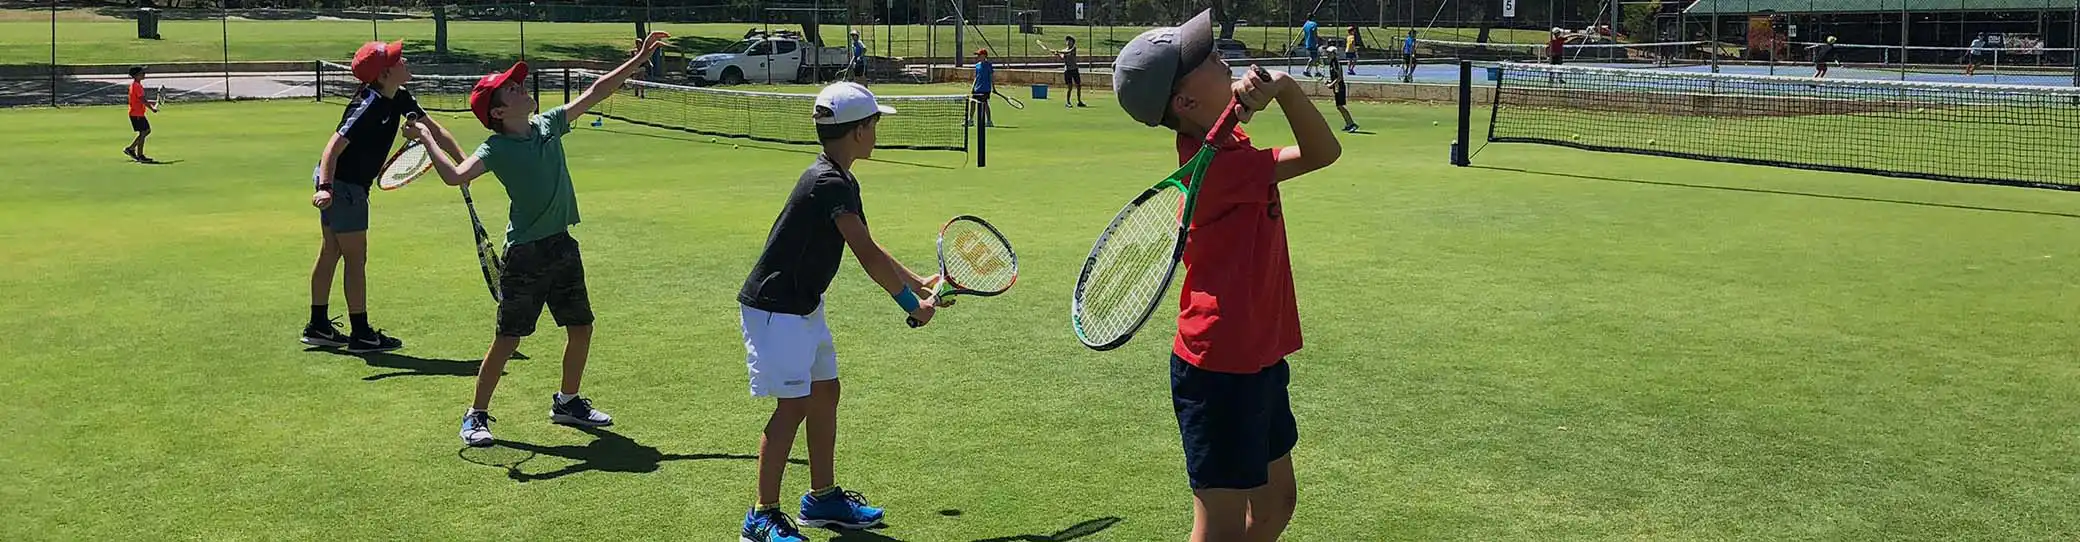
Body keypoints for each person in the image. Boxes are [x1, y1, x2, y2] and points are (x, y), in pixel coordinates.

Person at [1111, 9, 1340, 542]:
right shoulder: (1215, 164)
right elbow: (1321, 153)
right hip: (1220, 368)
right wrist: (1279, 91)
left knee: (1277, 504)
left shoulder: (1227, 148)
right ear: (1185, 102)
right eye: (1206, 60)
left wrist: (1259, 100)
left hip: (1257, 356)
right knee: (1220, 530)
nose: (1223, 60)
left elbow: (1308, 150)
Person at [412, 31, 674, 448]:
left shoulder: (547, 123)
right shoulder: (495, 148)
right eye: (512, 89)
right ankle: (475, 414)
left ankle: (567, 403)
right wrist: (427, 138)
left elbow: (595, 91)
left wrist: (639, 59)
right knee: (508, 338)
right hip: (526, 255)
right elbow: (455, 177)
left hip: (561, 245)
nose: (522, 88)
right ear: (498, 111)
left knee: (581, 327)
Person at [734, 81, 942, 542]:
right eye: (874, 123)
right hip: (776, 309)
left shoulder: (839, 177)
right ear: (859, 132)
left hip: (803, 305)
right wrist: (913, 306)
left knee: (825, 392)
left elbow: (867, 242)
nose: (877, 130)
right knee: (793, 406)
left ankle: (822, 499)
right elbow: (866, 256)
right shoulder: (829, 182)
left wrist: (917, 281)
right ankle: (761, 516)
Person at [302, 42, 463, 353]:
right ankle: (361, 333)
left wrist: (464, 161)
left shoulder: (399, 97)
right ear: (385, 73)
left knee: (332, 252)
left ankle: (318, 325)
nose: (404, 60)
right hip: (343, 185)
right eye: (396, 59)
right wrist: (326, 187)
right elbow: (331, 149)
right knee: (355, 257)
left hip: (346, 186)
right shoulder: (368, 104)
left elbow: (436, 130)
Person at [123, 66, 159, 162]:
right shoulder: (137, 86)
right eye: (142, 73)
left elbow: (140, 99)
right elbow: (142, 99)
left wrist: (150, 103)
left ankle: (132, 150)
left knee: (145, 131)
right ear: (136, 75)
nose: (144, 74)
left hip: (137, 113)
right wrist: (152, 108)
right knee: (145, 131)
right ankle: (138, 154)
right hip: (137, 114)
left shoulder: (136, 85)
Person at [1327, 50, 1356, 133]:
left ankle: (1352, 124)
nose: (1327, 55)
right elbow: (1335, 77)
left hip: (1340, 87)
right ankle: (1348, 124)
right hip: (1336, 87)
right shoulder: (1332, 63)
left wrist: (1331, 84)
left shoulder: (1335, 63)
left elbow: (1339, 77)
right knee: (1339, 106)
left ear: (1333, 53)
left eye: (1329, 53)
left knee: (1340, 106)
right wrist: (1330, 82)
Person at [1056, 36, 1087, 107]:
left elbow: (1068, 52)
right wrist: (1057, 54)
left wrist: (1059, 51)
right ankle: (1068, 102)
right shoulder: (1064, 50)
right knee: (1069, 87)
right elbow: (1062, 57)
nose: (1068, 42)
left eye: (1070, 41)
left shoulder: (1073, 49)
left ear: (1073, 43)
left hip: (1074, 69)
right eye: (1067, 41)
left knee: (1078, 86)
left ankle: (1079, 101)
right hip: (1067, 71)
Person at [968, 49, 994, 128]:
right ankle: (970, 120)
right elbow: (976, 77)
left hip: (985, 89)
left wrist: (994, 88)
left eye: (979, 55)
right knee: (972, 103)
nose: (978, 56)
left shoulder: (989, 65)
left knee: (985, 104)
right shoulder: (977, 65)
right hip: (977, 88)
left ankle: (989, 121)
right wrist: (973, 86)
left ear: (984, 56)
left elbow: (991, 77)